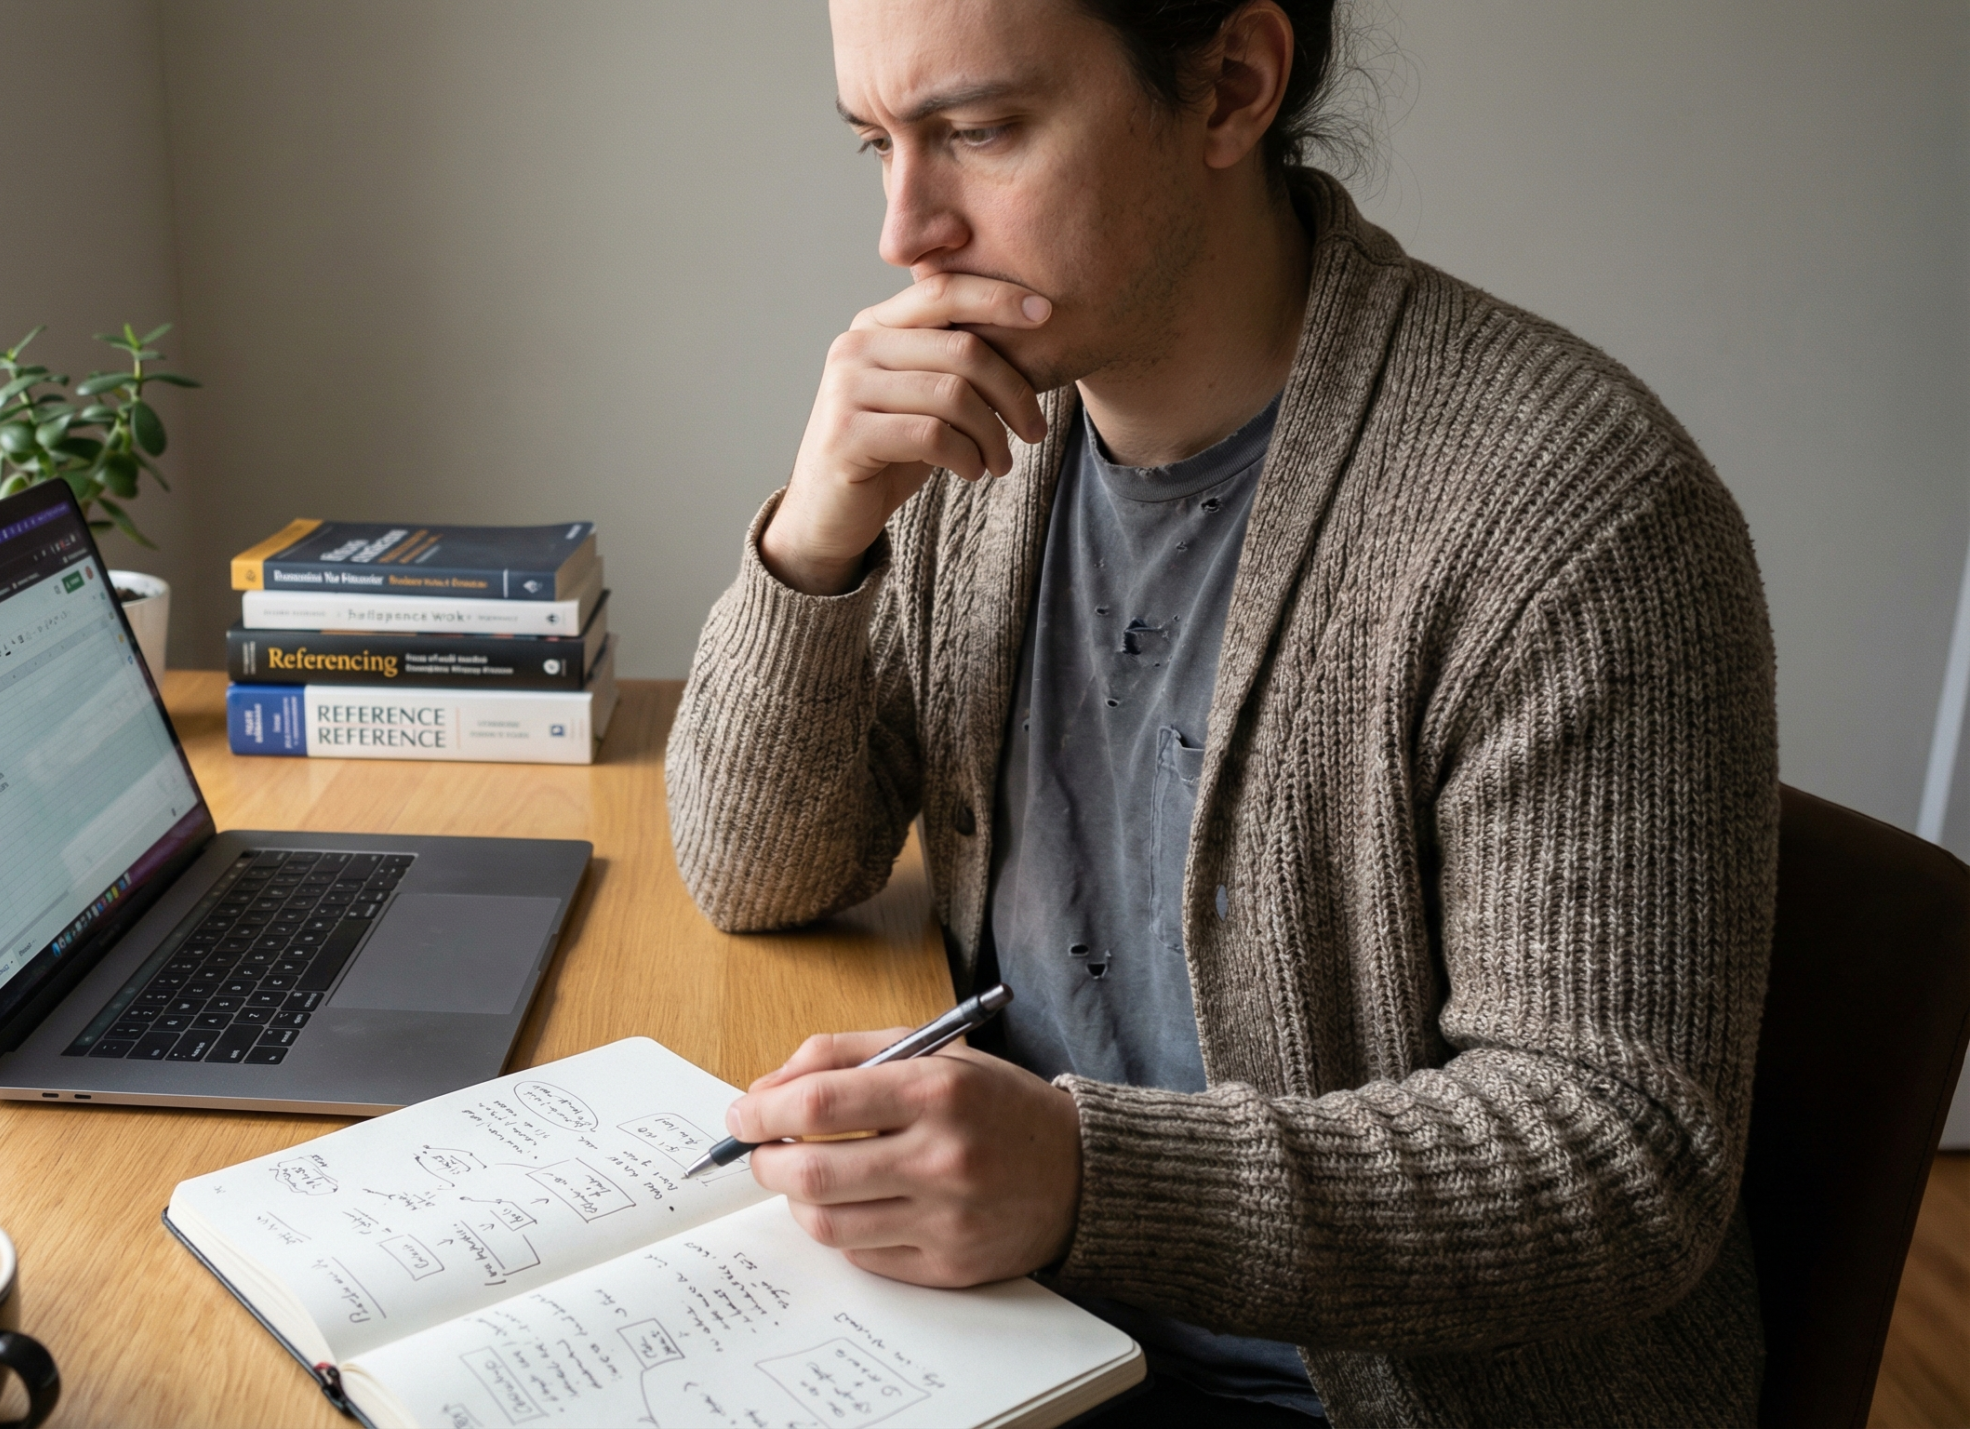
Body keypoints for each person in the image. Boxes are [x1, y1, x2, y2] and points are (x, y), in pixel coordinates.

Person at [662, 0, 1777, 1423]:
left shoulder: (1571, 519)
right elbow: (756, 871)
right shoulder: (981, 438)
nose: (906, 230)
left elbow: (1622, 1163)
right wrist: (815, 540)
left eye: (980, 131)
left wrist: (1084, 1182)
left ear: (1232, 88)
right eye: (878, 142)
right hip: (1012, 1335)